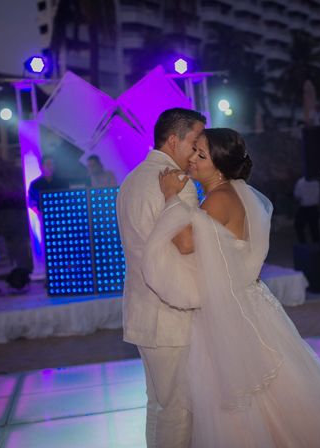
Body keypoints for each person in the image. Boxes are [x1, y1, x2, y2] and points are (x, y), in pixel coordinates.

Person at [143, 128, 320, 447]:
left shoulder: (219, 199)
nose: (192, 159)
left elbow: (186, 242)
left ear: (218, 167)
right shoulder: (235, 192)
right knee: (273, 396)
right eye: (196, 151)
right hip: (250, 305)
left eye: (201, 155)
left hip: (232, 315)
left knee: (241, 399)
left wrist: (171, 196)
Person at [116, 108, 205, 447]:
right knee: (177, 410)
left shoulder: (132, 179)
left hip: (143, 309)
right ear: (173, 140)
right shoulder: (177, 183)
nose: (198, 150)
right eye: (195, 142)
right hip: (170, 315)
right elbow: (187, 247)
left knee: (160, 404)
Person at [293, 175, 320, 243]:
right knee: (314, 227)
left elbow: (297, 196)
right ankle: (316, 243)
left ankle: (303, 242)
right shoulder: (316, 182)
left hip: (305, 207)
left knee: (299, 226)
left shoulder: (300, 182)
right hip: (313, 207)